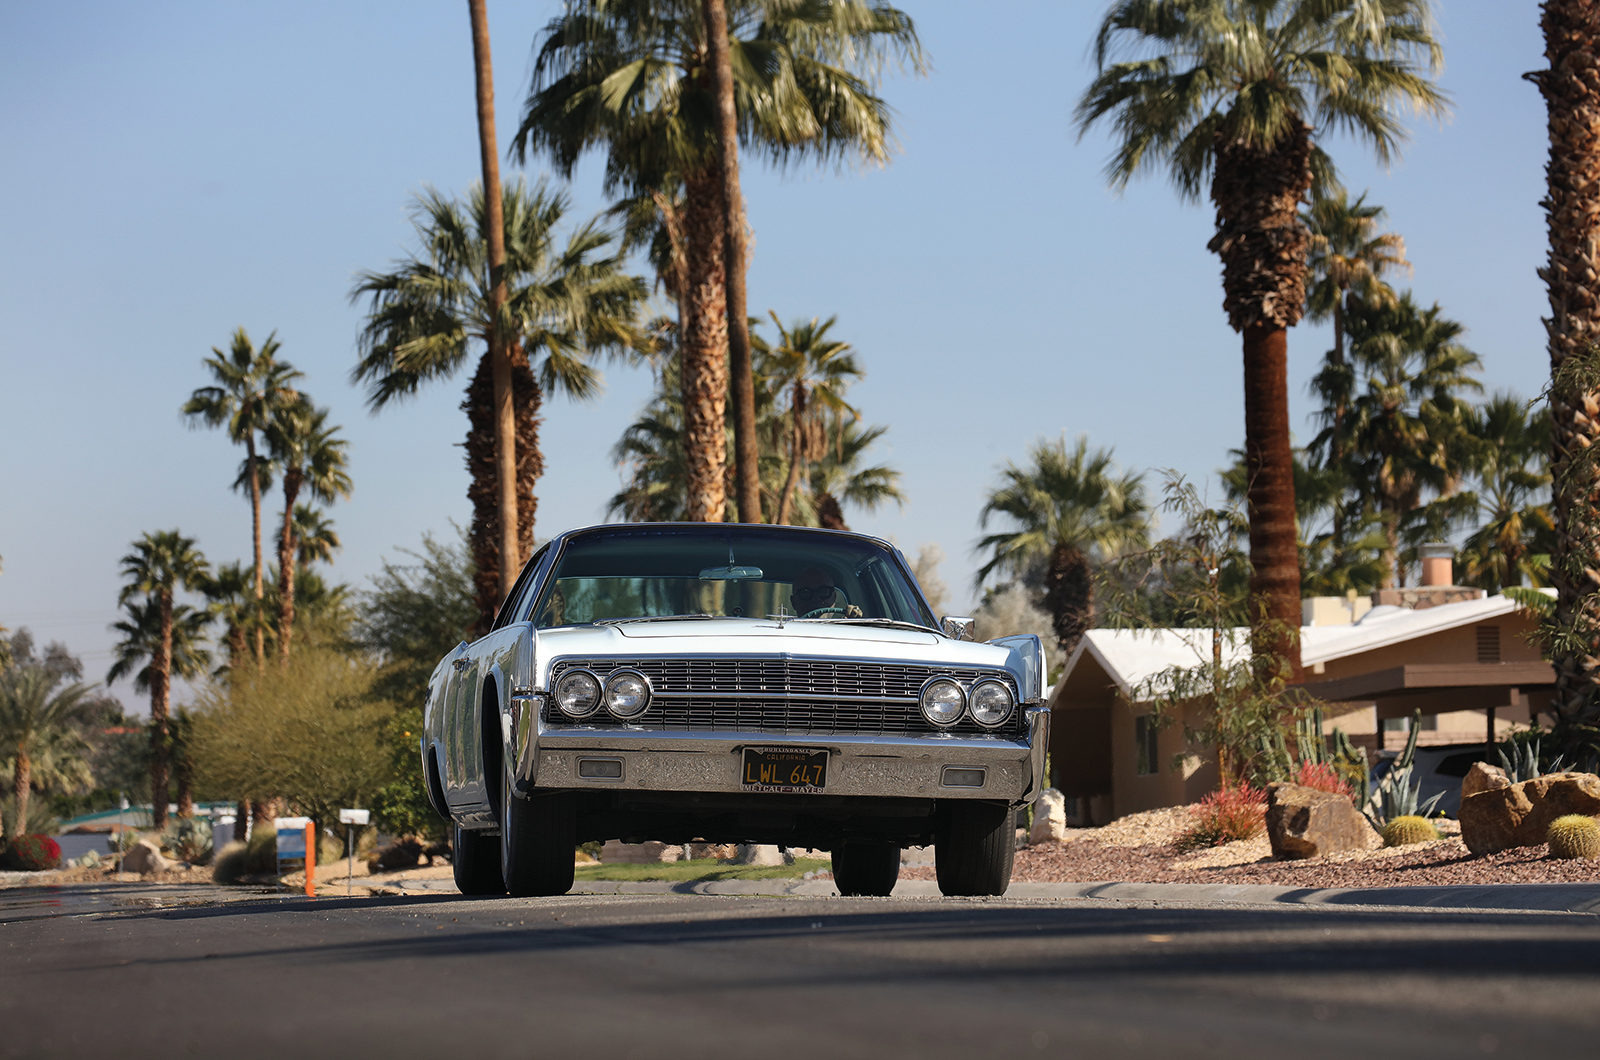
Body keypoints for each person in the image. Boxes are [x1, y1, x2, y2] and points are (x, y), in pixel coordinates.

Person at [789, 566, 861, 618]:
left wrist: (856, 621)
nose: (816, 599)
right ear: (793, 602)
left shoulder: (849, 633)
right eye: (806, 592)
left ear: (834, 598)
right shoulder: (783, 634)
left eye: (824, 591)